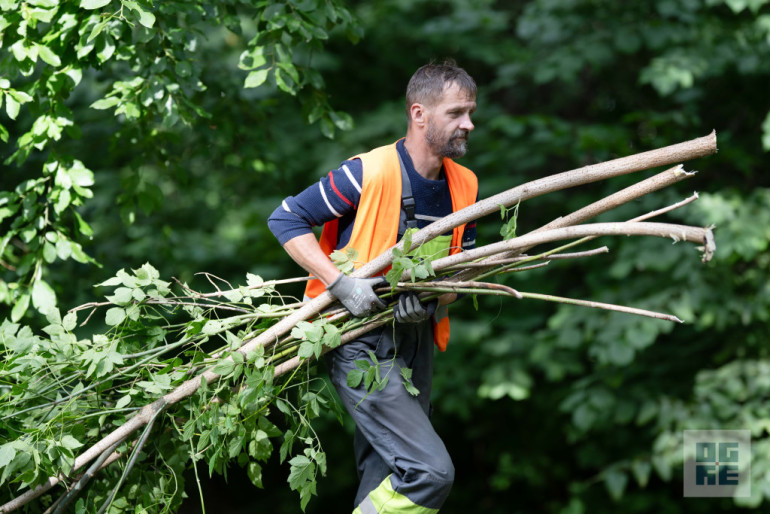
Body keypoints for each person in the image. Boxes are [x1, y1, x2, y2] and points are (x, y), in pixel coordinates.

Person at [268, 60, 479, 513]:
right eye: (457, 113)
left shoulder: (465, 185)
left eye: (470, 112)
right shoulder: (368, 171)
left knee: (385, 473)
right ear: (419, 114)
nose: (469, 123)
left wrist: (428, 297)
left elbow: (460, 281)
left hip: (415, 341)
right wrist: (340, 284)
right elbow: (285, 218)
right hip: (355, 338)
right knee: (429, 472)